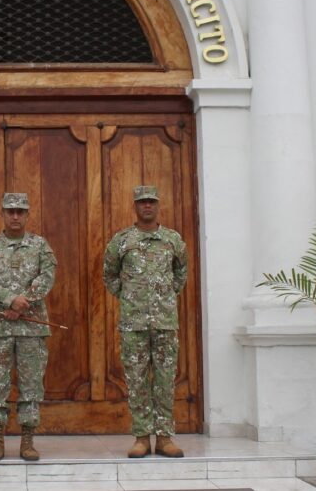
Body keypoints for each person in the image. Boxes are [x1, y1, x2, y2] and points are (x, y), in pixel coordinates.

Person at [102, 185, 189, 459]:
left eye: (151, 201)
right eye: (142, 202)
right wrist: (128, 296)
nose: (147, 206)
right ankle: (141, 437)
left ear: (158, 204)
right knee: (137, 381)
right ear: (135, 206)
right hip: (134, 324)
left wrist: (165, 296)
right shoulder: (122, 241)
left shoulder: (173, 240)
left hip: (165, 323)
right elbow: (110, 275)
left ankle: (164, 438)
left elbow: (180, 273)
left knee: (165, 381)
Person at [0, 192, 57, 462]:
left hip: (31, 330)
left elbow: (47, 276)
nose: (15, 216)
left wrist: (23, 302)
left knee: (31, 385)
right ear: (2, 213)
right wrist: (10, 299)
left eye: (20, 211)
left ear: (27, 214)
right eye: (10, 211)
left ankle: (27, 440)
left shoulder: (40, 245)